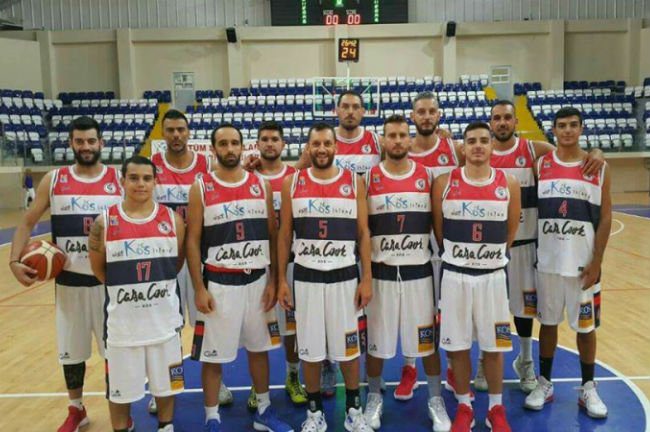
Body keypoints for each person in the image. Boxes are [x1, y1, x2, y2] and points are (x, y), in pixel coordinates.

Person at [471, 100, 607, 394]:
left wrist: (597, 151)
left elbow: (568, 155)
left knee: (525, 309)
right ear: (491, 123)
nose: (502, 122)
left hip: (526, 245)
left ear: (515, 122)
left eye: (507, 117)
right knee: (488, 307)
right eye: (497, 118)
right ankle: (483, 360)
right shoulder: (479, 152)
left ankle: (526, 360)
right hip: (490, 248)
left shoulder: (534, 151)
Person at [9, 116, 124, 432]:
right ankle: (76, 409)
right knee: (71, 352)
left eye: (91, 141)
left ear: (101, 143)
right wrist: (14, 261)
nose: (86, 146)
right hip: (69, 282)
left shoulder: (118, 178)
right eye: (79, 141)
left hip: (109, 283)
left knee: (115, 350)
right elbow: (28, 221)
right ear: (71, 143)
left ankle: (119, 406)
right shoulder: (54, 179)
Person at [186, 124, 292, 432]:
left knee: (259, 349)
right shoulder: (201, 187)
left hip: (258, 281)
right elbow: (192, 240)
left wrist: (274, 280)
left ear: (243, 147)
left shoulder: (261, 184)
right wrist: (199, 287)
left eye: (235, 143)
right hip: (219, 282)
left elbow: (272, 235)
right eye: (223, 144)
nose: (230, 149)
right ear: (213, 149)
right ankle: (212, 418)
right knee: (213, 356)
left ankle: (264, 410)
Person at [277, 122, 373, 431]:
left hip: (344, 275)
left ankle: (354, 410)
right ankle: (314, 412)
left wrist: (367, 278)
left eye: (327, 144)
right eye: (316, 144)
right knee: (310, 349)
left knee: (349, 348)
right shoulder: (292, 183)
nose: (321, 149)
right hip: (306, 276)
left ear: (336, 147)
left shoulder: (354, 181)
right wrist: (281, 280)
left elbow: (363, 232)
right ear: (308, 148)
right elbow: (284, 235)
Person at [363, 115, 451, 431]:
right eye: (392, 135)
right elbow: (363, 231)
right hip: (382, 273)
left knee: (427, 342)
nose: (398, 141)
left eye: (403, 135)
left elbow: (438, 226)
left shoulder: (428, 176)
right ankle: (374, 396)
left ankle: (436, 399)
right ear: (383, 140)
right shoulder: (368, 178)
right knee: (375, 342)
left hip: (419, 272)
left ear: (410, 140)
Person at [432, 122, 521, 432]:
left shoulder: (509, 183)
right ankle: (464, 407)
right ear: (464, 147)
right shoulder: (444, 183)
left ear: (492, 146)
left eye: (484, 140)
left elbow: (510, 232)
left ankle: (496, 408)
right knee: (456, 346)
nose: (478, 146)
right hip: (455, 276)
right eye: (472, 141)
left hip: (492, 277)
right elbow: (440, 232)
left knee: (494, 347)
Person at [524, 107, 611, 419]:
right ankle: (544, 383)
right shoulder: (541, 165)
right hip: (548, 261)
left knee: (586, 327)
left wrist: (597, 260)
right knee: (547, 324)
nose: (568, 130)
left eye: (574, 125)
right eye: (562, 125)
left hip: (582, 263)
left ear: (582, 128)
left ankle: (588, 387)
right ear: (554, 130)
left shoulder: (597, 167)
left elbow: (606, 217)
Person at [88, 155, 185, 432]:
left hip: (164, 321)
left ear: (155, 182)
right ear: (122, 181)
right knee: (120, 391)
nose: (140, 184)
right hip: (123, 326)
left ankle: (166, 427)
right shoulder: (104, 223)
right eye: (133, 178)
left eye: (146, 178)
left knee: (166, 385)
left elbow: (175, 265)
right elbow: (99, 270)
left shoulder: (173, 220)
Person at [150, 109, 232, 412]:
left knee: (208, 322)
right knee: (166, 327)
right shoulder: (152, 166)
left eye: (180, 129)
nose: (176, 135)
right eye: (170, 130)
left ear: (188, 132)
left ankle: (217, 383)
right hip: (166, 258)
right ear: (163, 133)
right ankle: (162, 387)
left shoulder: (207, 165)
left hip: (200, 255)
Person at [407, 91, 464, 403]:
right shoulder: (399, 149)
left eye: (431, 111)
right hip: (411, 239)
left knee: (448, 306)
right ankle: (409, 368)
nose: (427, 116)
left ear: (439, 115)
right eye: (421, 112)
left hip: (448, 237)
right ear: (412, 116)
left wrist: (596, 151)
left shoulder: (455, 149)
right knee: (413, 306)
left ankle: (454, 367)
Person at [248, 121, 307, 410]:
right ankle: (256, 385)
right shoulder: (246, 178)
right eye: (265, 139)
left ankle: (292, 376)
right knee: (256, 327)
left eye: (275, 139)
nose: (270, 143)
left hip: (291, 260)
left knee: (292, 326)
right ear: (257, 144)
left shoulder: (296, 177)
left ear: (284, 144)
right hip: (256, 262)